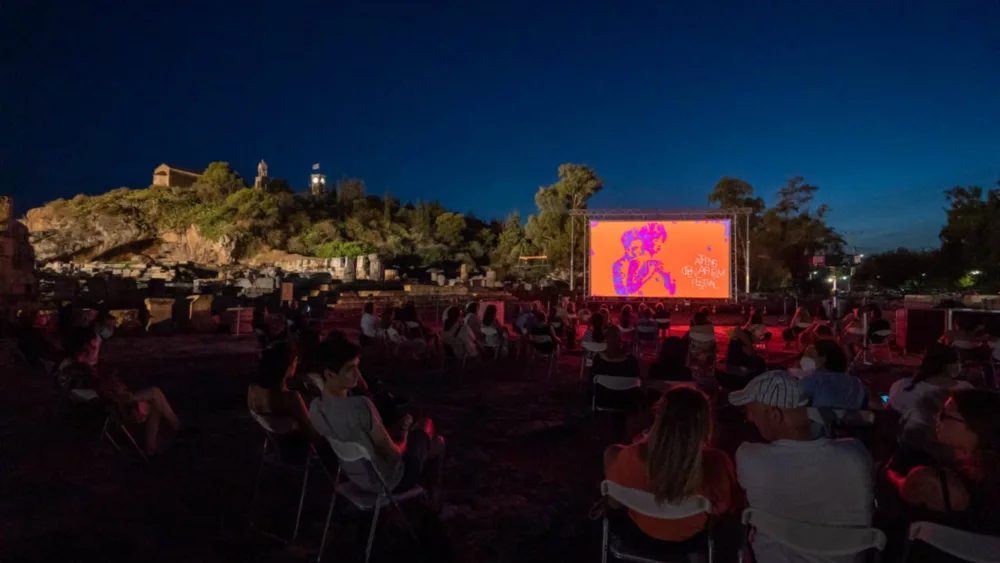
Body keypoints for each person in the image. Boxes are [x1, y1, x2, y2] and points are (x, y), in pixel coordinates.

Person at [730, 371, 874, 563]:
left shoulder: (750, 458)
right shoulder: (856, 455)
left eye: (751, 412)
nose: (749, 418)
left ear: (775, 415)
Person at [309, 338, 445, 507]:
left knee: (429, 442)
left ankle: (426, 501)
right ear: (329, 374)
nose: (358, 375)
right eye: (350, 369)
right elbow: (394, 455)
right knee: (428, 428)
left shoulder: (316, 408)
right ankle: (432, 501)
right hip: (390, 482)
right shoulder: (360, 406)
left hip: (357, 478)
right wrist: (404, 435)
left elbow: (363, 442)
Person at [604, 386, 737, 544]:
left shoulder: (630, 456)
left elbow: (615, 504)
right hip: (693, 543)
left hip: (639, 536)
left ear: (659, 418)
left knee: (612, 452)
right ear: (705, 424)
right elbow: (724, 510)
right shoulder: (717, 463)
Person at [56, 328, 186, 457]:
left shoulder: (80, 366)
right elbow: (103, 392)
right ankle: (173, 431)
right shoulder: (83, 370)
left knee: (154, 401)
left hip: (114, 401)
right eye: (94, 346)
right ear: (86, 347)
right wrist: (126, 398)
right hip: (115, 405)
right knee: (154, 394)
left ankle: (153, 448)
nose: (96, 348)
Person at [887, 389, 1000, 536]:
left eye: (944, 415)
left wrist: (889, 473)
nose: (936, 417)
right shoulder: (985, 472)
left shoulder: (940, 485)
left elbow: (897, 484)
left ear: (974, 426)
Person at [887, 343, 973, 464]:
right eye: (958, 362)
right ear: (950, 366)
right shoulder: (964, 391)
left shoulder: (901, 386)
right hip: (946, 457)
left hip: (902, 451)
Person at [248, 342, 326, 459]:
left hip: (277, 441)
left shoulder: (253, 389)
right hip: (299, 448)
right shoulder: (290, 398)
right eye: (295, 360)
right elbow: (312, 434)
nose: (296, 364)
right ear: (287, 366)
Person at [591, 325, 643, 437]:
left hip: (603, 399)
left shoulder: (598, 360)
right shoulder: (631, 361)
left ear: (606, 339)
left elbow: (591, 381)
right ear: (621, 339)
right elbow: (637, 379)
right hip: (627, 401)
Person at [799, 339, 874, 410]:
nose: (803, 359)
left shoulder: (812, 381)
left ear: (822, 359)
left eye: (810, 356)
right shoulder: (856, 383)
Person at [723, 314, 767, 384]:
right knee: (760, 364)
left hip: (734, 367)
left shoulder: (742, 335)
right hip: (738, 370)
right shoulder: (743, 338)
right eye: (760, 336)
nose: (760, 338)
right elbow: (744, 357)